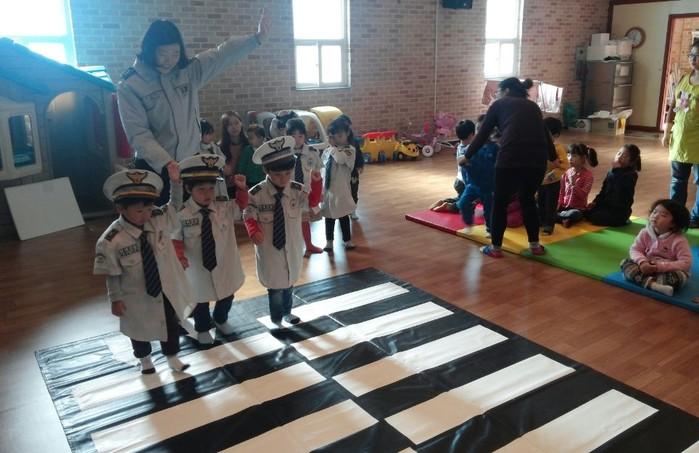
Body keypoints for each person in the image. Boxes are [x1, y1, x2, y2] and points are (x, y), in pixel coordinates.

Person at [117, 12, 270, 205]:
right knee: (159, 220)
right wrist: (166, 163)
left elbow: (220, 55)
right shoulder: (131, 85)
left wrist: (256, 39)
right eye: (163, 54)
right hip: (155, 167)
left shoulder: (187, 72)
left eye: (175, 53)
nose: (169, 60)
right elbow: (139, 134)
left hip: (190, 163)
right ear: (149, 50)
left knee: (194, 218)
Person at [93, 169, 194, 374]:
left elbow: (174, 207)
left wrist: (176, 184)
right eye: (139, 211)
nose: (145, 215)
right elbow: (112, 274)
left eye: (149, 209)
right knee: (137, 329)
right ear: (120, 208)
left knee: (170, 323)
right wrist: (115, 299)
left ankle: (172, 356)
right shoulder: (111, 240)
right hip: (134, 294)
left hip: (163, 287)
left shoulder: (157, 218)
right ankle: (145, 359)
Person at [464, 78, 557, 258]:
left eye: (498, 91)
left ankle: (495, 248)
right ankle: (535, 246)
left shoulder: (499, 104)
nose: (496, 95)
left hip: (510, 158)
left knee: (500, 201)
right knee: (528, 200)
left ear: (506, 90)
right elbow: (545, 134)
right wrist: (553, 158)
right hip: (537, 161)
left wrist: (466, 156)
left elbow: (482, 134)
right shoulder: (533, 106)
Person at [243, 136, 322, 329]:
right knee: (275, 288)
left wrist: (317, 183)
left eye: (287, 173)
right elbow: (248, 214)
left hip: (292, 247)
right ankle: (276, 319)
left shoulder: (296, 190)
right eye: (277, 174)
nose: (283, 178)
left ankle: (287, 312)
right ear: (266, 170)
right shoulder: (256, 194)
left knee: (289, 283)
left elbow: (312, 203)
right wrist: (253, 230)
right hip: (270, 249)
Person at [174, 154, 248, 345]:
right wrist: (180, 257)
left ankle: (221, 319)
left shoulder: (223, 206)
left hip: (225, 262)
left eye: (211, 188)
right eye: (201, 189)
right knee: (200, 300)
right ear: (188, 189)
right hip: (197, 267)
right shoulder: (181, 214)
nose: (207, 194)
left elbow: (241, 206)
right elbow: (175, 238)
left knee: (227, 294)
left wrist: (241, 190)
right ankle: (203, 328)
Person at [662, 39, 699, 228]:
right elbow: (674, 106)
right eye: (691, 55)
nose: (693, 59)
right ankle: (675, 216)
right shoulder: (684, 79)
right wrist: (667, 131)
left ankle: (696, 217)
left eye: (697, 56)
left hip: (697, 139)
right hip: (680, 138)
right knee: (678, 180)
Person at [621, 199, 691, 297]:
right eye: (654, 212)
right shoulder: (645, 233)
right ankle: (654, 286)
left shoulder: (679, 241)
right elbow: (635, 249)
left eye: (663, 215)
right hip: (646, 267)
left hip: (667, 271)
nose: (655, 216)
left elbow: (686, 263)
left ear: (673, 223)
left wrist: (659, 267)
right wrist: (642, 262)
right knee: (625, 263)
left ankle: (644, 281)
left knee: (680, 276)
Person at [286, 118, 324, 255]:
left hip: (306, 192)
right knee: (289, 221)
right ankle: (290, 248)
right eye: (293, 136)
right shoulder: (284, 153)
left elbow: (317, 173)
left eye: (300, 136)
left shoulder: (312, 152)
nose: (297, 140)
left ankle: (309, 245)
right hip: (288, 192)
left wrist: (319, 191)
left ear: (305, 136)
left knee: (304, 220)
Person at [321, 118, 357, 251]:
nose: (336, 139)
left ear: (347, 133)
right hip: (328, 190)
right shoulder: (328, 150)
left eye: (340, 136)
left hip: (341, 190)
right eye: (333, 136)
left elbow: (340, 159)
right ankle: (329, 241)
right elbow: (322, 167)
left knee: (343, 216)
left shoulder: (349, 150)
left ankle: (347, 240)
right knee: (328, 217)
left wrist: (332, 148)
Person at [456, 119, 497, 233]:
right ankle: (469, 223)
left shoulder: (494, 148)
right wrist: (466, 166)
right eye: (478, 129)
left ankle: (490, 228)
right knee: (463, 203)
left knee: (489, 209)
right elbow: (465, 164)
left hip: (488, 186)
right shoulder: (472, 147)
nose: (480, 133)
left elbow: (497, 167)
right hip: (473, 184)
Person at [586, 144, 641, 226]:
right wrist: (595, 202)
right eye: (619, 153)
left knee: (595, 217)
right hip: (607, 206)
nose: (619, 157)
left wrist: (617, 170)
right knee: (587, 212)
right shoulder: (611, 172)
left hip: (619, 211)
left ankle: (623, 220)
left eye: (624, 156)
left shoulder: (631, 175)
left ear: (631, 161)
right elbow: (603, 190)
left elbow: (619, 191)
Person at [430, 119, 475, 213]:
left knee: (461, 197)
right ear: (471, 134)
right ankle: (450, 207)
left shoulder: (460, 146)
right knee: (469, 201)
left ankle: (444, 201)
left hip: (458, 181)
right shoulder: (470, 149)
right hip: (466, 182)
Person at [538, 117, 569, 235]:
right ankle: (541, 221)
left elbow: (564, 165)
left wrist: (552, 175)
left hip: (552, 183)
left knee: (550, 205)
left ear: (555, 135)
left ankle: (549, 225)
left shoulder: (558, 148)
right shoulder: (539, 146)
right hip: (540, 181)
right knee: (540, 202)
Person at [556, 143, 598, 227]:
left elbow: (583, 195)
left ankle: (558, 217)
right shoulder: (567, 172)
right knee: (548, 206)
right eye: (568, 155)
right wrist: (559, 203)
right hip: (564, 206)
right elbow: (561, 191)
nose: (570, 158)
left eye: (574, 156)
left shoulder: (588, 176)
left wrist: (574, 185)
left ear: (583, 158)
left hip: (578, 208)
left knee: (576, 214)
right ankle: (563, 218)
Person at [336, 114, 364, 220]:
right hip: (340, 172)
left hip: (352, 172)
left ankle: (352, 210)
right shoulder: (336, 142)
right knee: (341, 191)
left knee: (353, 190)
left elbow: (359, 153)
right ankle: (341, 210)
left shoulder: (353, 141)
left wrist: (360, 165)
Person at [219, 111, 249, 196]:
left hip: (248, 184)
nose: (234, 127)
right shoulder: (220, 147)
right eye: (229, 124)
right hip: (229, 187)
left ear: (241, 123)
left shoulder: (249, 143)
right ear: (225, 128)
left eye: (236, 123)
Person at [199, 118, 229, 200]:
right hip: (208, 180)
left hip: (220, 178)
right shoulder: (198, 150)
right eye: (207, 134)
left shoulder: (215, 147)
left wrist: (224, 167)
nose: (210, 136)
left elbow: (223, 161)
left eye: (211, 133)